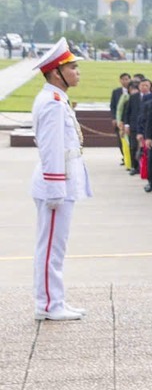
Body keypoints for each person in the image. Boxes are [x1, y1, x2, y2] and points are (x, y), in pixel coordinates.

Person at [29, 41, 90, 322]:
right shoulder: (53, 104)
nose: (78, 72)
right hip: (56, 184)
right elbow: (51, 149)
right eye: (72, 67)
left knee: (55, 246)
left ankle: (54, 300)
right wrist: (56, 188)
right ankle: (50, 304)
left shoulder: (57, 99)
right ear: (57, 73)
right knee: (52, 246)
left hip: (61, 182)